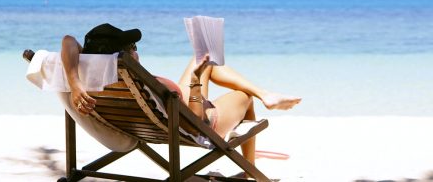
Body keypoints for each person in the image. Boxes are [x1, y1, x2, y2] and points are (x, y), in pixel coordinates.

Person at [61, 24, 302, 166]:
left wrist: (74, 84)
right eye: (132, 47)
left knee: (204, 58)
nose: (136, 51)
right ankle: (251, 167)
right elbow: (198, 123)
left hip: (145, 121)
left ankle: (266, 95)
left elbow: (68, 41)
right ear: (124, 54)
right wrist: (196, 81)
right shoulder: (156, 84)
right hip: (193, 126)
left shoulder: (87, 74)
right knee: (244, 96)